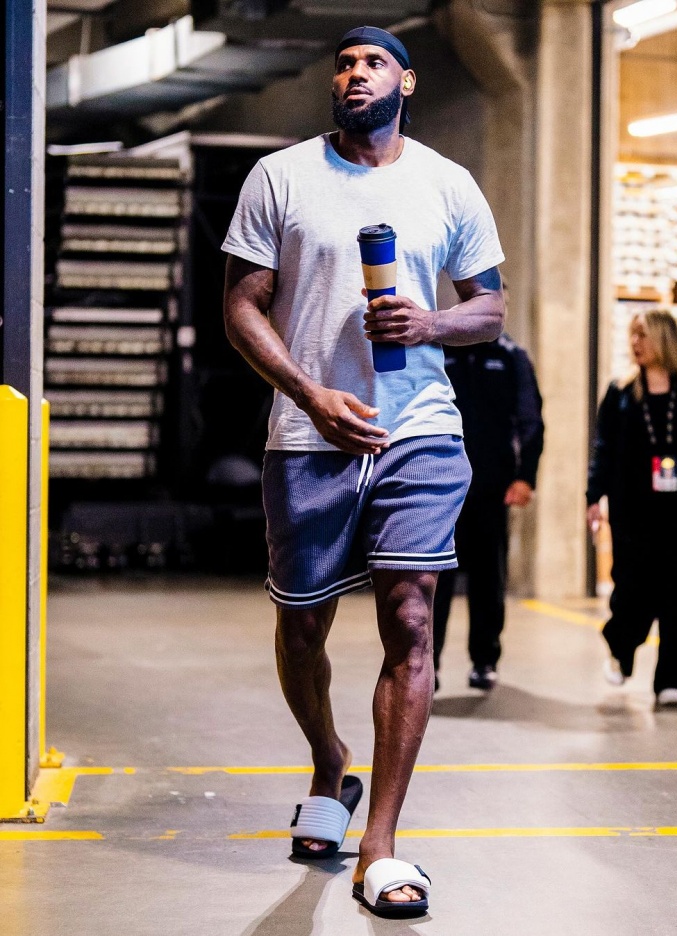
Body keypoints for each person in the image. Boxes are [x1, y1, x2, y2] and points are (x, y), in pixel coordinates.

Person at [222, 26, 505, 918]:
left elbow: (490, 309)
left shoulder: (447, 184)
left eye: (373, 62)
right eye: (343, 63)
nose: (354, 74)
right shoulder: (281, 177)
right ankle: (328, 762)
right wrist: (310, 394)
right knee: (301, 627)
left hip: (418, 428)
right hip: (308, 435)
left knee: (411, 621)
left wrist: (429, 325)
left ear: (405, 82)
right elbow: (240, 306)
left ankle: (379, 846)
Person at [587, 309, 677, 709]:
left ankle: (672, 680)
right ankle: (620, 645)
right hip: (633, 511)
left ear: (663, 339)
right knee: (633, 590)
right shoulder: (620, 394)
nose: (635, 342)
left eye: (643, 335)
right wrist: (593, 497)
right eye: (633, 335)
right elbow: (603, 450)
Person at [432, 331, 543, 690]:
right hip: (441, 487)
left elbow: (530, 420)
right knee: (434, 579)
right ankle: (426, 664)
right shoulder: (441, 349)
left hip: (492, 489)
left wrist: (525, 477)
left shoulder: (512, 357)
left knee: (488, 577)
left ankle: (484, 660)